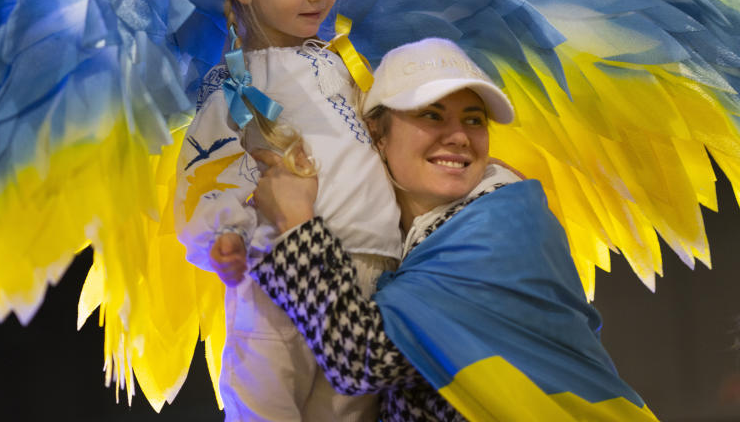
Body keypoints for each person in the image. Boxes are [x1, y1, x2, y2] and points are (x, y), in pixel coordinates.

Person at [249, 38, 658, 421]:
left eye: (474, 119)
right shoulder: (416, 236)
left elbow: (364, 357)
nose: (460, 136)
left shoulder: (505, 225)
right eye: (431, 115)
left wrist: (295, 224)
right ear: (377, 132)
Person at [173, 0, 402, 420]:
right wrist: (222, 234)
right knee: (264, 404)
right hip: (274, 272)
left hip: (369, 277)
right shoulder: (234, 82)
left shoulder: (343, 67)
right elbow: (206, 166)